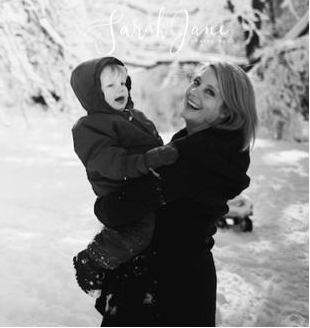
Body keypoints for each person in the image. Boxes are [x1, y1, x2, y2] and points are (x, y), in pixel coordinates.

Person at [80, 61, 257, 326]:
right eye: (197, 82)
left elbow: (115, 210)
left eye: (210, 92)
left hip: (160, 291)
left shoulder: (195, 156)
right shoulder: (215, 149)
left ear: (227, 112)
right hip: (182, 283)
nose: (194, 91)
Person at [70, 57, 179, 292]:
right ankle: (92, 260)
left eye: (122, 82)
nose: (121, 89)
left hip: (140, 184)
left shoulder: (135, 116)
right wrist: (148, 161)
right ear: (93, 94)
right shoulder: (89, 127)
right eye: (110, 86)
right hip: (118, 192)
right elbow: (113, 164)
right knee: (139, 231)